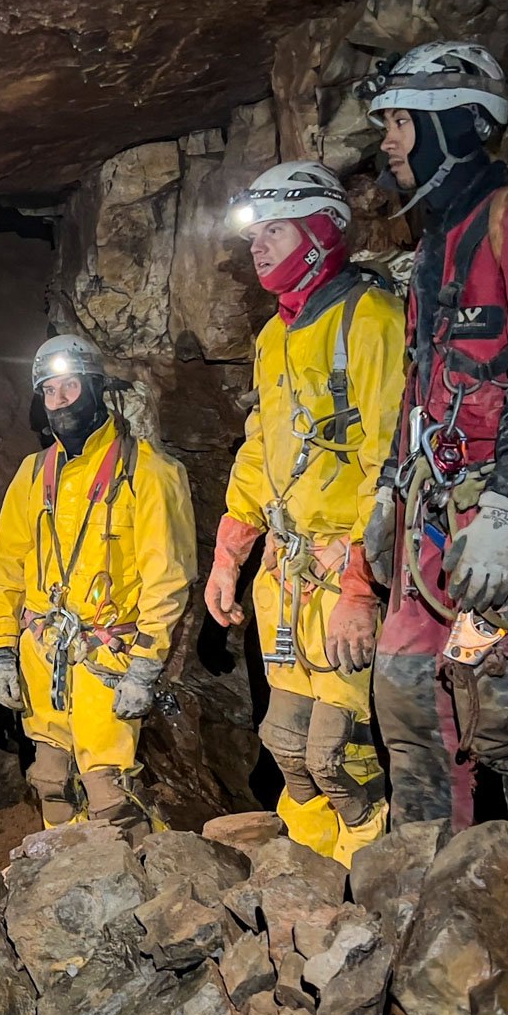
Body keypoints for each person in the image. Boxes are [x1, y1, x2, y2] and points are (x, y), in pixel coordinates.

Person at [359, 42, 508, 827]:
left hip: (505, 521)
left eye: (399, 122)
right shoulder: (434, 245)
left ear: (457, 126)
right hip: (433, 521)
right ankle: (424, 888)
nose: (387, 141)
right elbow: (423, 389)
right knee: (404, 693)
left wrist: (503, 516)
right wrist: (392, 494)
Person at [209, 162, 405, 866]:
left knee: (339, 757)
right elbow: (261, 450)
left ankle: (366, 892)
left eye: (274, 232)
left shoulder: (374, 321)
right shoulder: (273, 339)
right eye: (254, 235)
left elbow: (390, 461)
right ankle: (303, 888)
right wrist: (231, 551)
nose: (258, 248)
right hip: (287, 578)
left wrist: (362, 586)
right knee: (287, 747)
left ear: (321, 234)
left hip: (346, 573)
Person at [0, 336, 195, 838]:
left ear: (95, 389)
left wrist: (146, 667)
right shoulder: (32, 476)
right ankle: (59, 887)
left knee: (107, 794)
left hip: (108, 656)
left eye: (69, 387)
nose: (59, 403)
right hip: (43, 652)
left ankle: (131, 888)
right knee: (51, 781)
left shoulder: (148, 473)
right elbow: (6, 570)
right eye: (48, 393)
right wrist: (0, 652)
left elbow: (168, 578)